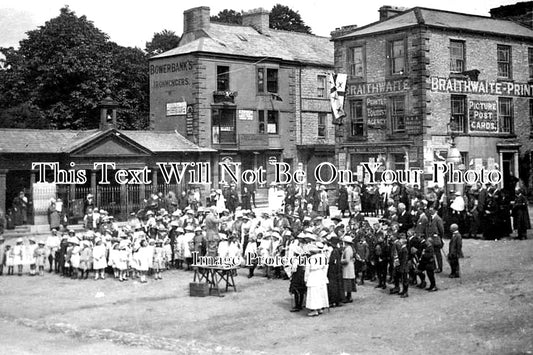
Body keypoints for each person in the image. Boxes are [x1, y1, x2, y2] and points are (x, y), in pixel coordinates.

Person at [304, 242, 329, 317]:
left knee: (314, 293)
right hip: (321, 274)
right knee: (321, 291)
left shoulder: (311, 259)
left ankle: (315, 310)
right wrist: (324, 275)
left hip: (313, 275)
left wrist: (306, 279)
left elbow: (307, 270)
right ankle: (320, 308)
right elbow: (326, 267)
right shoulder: (324, 257)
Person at [341, 236, 356, 303]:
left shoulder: (347, 249)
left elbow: (346, 260)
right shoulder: (350, 248)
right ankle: (349, 296)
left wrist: (340, 261)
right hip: (350, 266)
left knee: (347, 281)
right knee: (349, 281)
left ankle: (349, 296)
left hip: (347, 267)